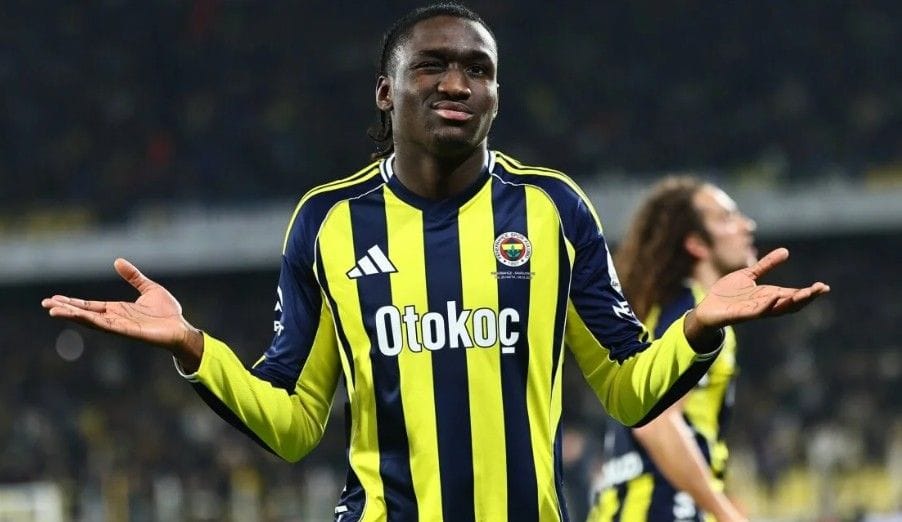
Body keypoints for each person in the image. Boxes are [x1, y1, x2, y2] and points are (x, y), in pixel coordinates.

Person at [42, 4, 829, 521]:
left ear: (496, 94)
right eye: (432, 65)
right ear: (386, 92)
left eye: (478, 69)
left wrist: (695, 329)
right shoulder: (327, 222)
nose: (457, 82)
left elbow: (627, 389)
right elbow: (292, 424)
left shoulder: (553, 209)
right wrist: (193, 349)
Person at [586, 177, 757, 522]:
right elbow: (656, 422)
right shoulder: (694, 317)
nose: (747, 225)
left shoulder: (663, 312)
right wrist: (724, 512)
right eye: (726, 218)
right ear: (697, 244)